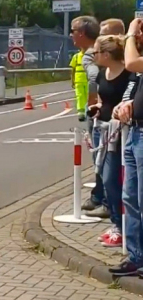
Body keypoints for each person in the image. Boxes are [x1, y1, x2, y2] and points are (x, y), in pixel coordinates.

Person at [89, 35, 133, 247]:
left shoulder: (128, 74)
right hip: (104, 131)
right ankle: (117, 224)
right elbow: (102, 99)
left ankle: (123, 228)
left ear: (106, 54)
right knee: (106, 179)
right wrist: (97, 108)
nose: (93, 56)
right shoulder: (101, 74)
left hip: (121, 133)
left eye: (96, 53)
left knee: (114, 180)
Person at [109, 18, 143, 276]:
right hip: (135, 130)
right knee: (130, 198)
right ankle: (135, 256)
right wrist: (128, 102)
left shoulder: (136, 60)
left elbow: (130, 62)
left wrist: (130, 33)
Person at [71, 16, 107, 215]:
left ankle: (103, 199)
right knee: (100, 156)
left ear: (82, 33)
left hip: (99, 111)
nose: (71, 35)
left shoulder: (91, 54)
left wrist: (93, 100)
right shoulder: (88, 53)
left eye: (73, 31)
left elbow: (93, 78)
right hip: (95, 109)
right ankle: (99, 195)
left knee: (101, 155)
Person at [69, 50, 87, 121]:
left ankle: (88, 111)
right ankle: (81, 113)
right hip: (78, 80)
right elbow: (72, 70)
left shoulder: (90, 56)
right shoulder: (76, 57)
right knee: (80, 96)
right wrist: (72, 80)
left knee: (88, 95)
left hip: (88, 80)